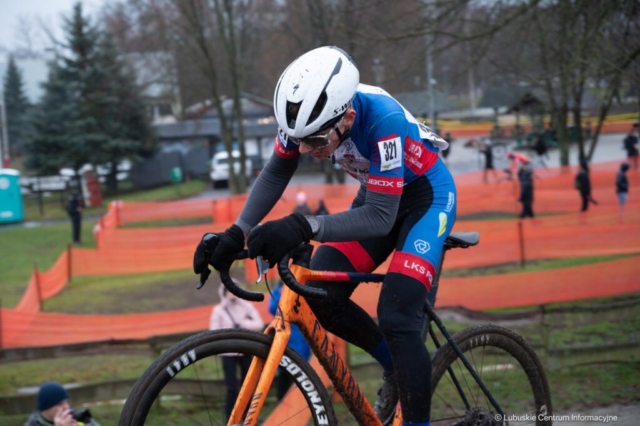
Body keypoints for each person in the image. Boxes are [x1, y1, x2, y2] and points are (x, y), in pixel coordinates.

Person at [193, 46, 456, 426]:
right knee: (319, 295)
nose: (303, 149)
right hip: (377, 194)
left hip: (425, 200)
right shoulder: (307, 118)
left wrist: (304, 226)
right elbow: (276, 171)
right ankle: (396, 370)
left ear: (347, 118)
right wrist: (237, 233)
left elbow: (381, 217)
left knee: (397, 315)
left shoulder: (383, 120)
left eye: (315, 142)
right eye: (298, 139)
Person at [209, 280, 264, 421]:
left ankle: (249, 418)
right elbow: (213, 331)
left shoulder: (247, 306)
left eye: (234, 289)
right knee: (231, 387)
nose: (232, 293)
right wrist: (232, 330)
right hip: (228, 353)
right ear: (223, 292)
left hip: (245, 350)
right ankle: (230, 418)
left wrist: (243, 324)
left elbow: (259, 324)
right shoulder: (219, 310)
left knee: (248, 385)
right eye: (229, 290)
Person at [268, 281, 312, 400]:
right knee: (283, 373)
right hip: (283, 338)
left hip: (299, 337)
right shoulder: (277, 291)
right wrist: (283, 293)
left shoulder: (300, 288)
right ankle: (282, 402)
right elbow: (272, 308)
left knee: (301, 373)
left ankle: (300, 402)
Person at [24, 382, 100, 426]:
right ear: (46, 407)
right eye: (60, 404)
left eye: (66, 402)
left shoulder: (78, 417)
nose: (67, 407)